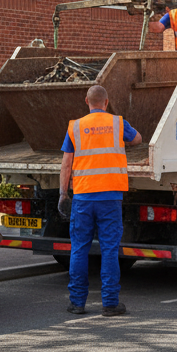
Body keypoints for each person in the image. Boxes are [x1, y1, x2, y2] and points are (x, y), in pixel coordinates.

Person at [59, 85, 142, 316]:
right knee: (109, 250)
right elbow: (138, 138)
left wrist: (63, 194)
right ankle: (110, 303)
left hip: (83, 198)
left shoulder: (75, 126)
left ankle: (77, 303)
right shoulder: (118, 123)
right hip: (110, 197)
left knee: (79, 249)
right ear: (106, 102)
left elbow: (67, 163)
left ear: (87, 101)